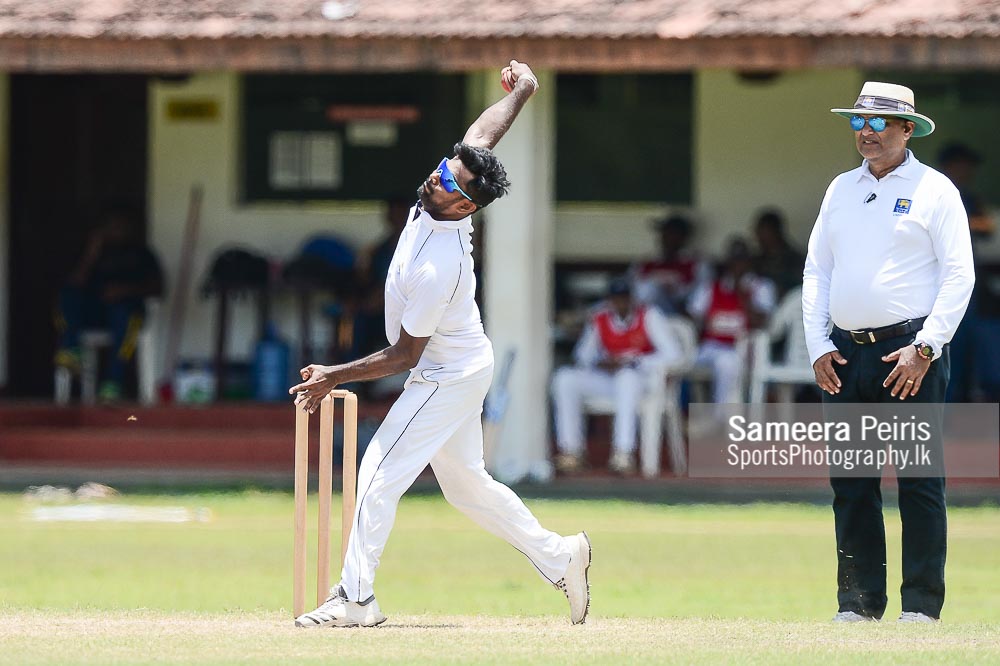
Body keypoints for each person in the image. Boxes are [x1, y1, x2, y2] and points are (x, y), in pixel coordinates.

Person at [289, 60, 591, 629]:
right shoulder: (445, 190)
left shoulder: (440, 266)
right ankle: (561, 556)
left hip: (444, 374)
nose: (436, 180)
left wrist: (333, 374)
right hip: (462, 366)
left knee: (377, 471)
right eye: (442, 170)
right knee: (468, 487)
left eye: (449, 183)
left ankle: (356, 598)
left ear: (466, 207)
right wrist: (523, 91)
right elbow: (481, 135)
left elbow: (404, 356)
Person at [803, 82, 975, 624]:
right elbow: (818, 271)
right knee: (851, 483)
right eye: (859, 122)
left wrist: (926, 347)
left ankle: (921, 607)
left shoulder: (935, 189)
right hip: (845, 352)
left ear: (907, 129)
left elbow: (959, 275)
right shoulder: (840, 188)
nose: (867, 132)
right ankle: (857, 604)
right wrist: (818, 344)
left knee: (919, 481)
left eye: (879, 122)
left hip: (910, 351)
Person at [551, 278, 682, 475]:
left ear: (632, 299)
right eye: (616, 299)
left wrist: (635, 361)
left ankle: (623, 453)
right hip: (608, 379)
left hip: (643, 381)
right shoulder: (600, 318)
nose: (621, 303)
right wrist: (601, 362)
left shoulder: (649, 315)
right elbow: (583, 356)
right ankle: (571, 451)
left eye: (624, 298)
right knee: (565, 379)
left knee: (626, 377)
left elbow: (673, 354)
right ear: (609, 300)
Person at [54, 207, 164, 401]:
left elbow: (157, 288)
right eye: (110, 226)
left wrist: (123, 290)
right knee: (67, 296)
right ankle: (72, 350)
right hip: (96, 312)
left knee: (124, 317)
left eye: (119, 225)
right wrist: (91, 254)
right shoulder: (93, 252)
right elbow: (74, 283)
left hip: (128, 312)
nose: (115, 230)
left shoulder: (142, 253)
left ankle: (113, 382)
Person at [688, 237, 776, 406]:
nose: (737, 265)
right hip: (711, 346)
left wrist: (742, 294)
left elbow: (762, 322)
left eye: (741, 260)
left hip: (744, 347)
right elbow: (693, 317)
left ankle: (723, 417)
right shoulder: (712, 287)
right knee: (678, 361)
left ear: (749, 262)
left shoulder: (761, 286)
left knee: (728, 362)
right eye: (734, 260)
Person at [630, 213, 708, 315]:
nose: (667, 236)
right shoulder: (646, 262)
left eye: (673, 233)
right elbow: (632, 290)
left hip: (682, 316)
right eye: (665, 232)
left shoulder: (696, 263)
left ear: (684, 237)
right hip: (649, 317)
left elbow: (704, 293)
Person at [751, 208, 805, 299]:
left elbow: (799, 288)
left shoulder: (794, 259)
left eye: (764, 232)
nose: (758, 237)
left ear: (775, 232)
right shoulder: (757, 260)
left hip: (789, 303)